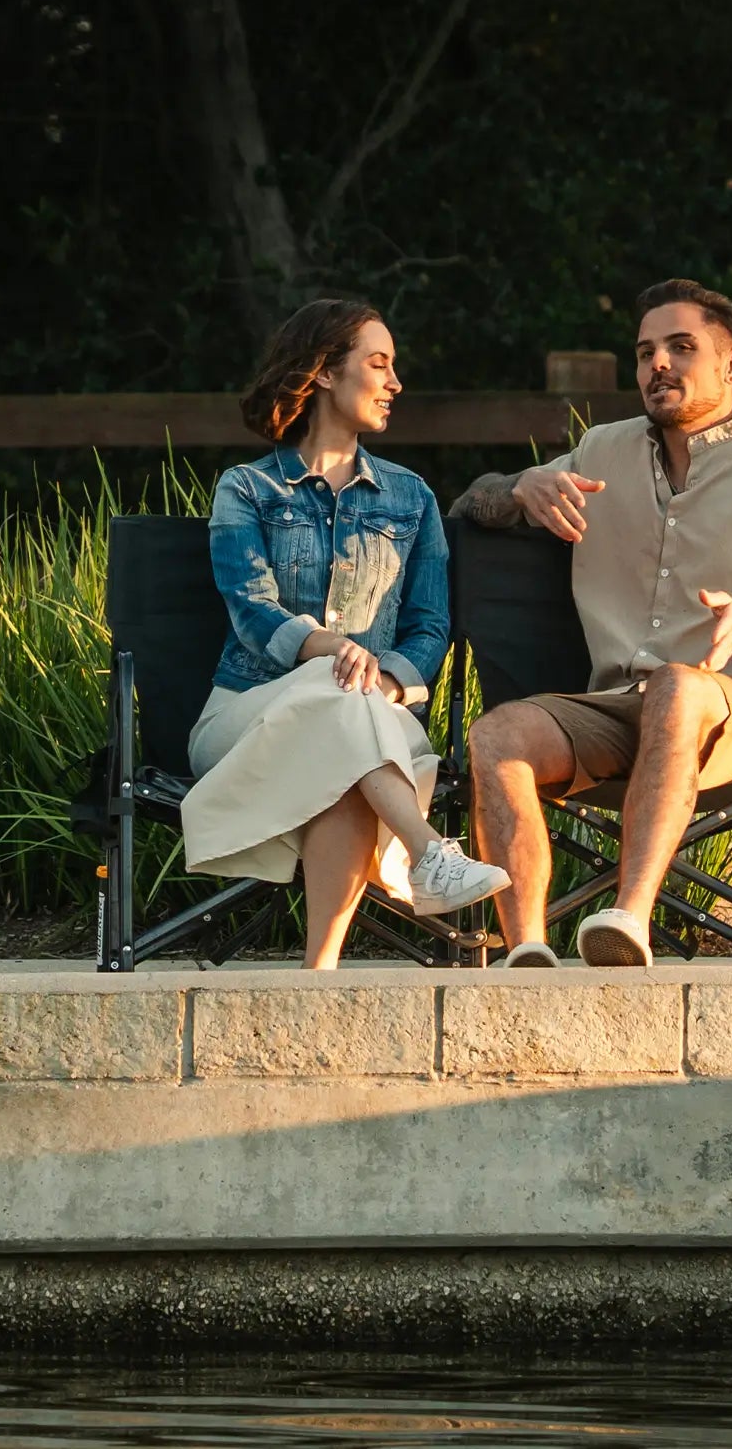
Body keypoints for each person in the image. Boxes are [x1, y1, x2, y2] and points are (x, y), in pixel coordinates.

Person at [451, 278, 732, 969]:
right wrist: (519, 488)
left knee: (679, 684)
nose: (657, 364)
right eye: (644, 353)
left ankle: (626, 922)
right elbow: (471, 503)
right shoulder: (599, 452)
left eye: (680, 347)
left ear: (731, 365)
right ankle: (525, 948)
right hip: (614, 710)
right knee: (498, 733)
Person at [181, 299, 508, 969]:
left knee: (347, 738)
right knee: (341, 710)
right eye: (378, 364)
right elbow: (251, 609)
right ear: (325, 373)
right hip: (247, 717)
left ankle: (318, 980)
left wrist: (384, 680)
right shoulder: (246, 489)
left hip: (375, 716)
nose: (395, 382)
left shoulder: (411, 497)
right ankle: (428, 855)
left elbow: (429, 627)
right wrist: (332, 650)